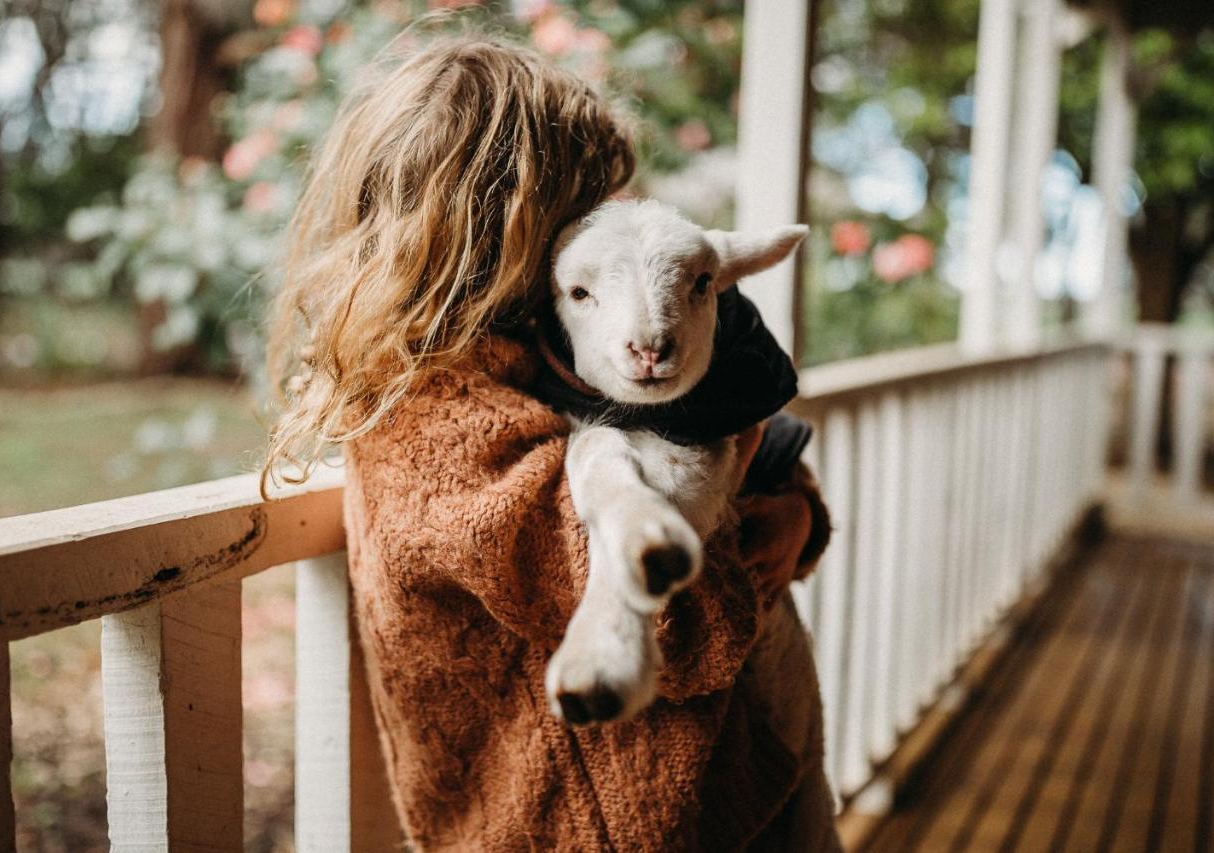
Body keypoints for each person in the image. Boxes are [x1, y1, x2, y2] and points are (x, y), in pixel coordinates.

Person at [263, 34, 838, 852]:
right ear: (507, 227)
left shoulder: (552, 347)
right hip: (577, 825)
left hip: (720, 787)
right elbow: (680, 629)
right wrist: (744, 509)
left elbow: (712, 439)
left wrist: (796, 512)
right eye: (581, 208)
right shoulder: (436, 421)